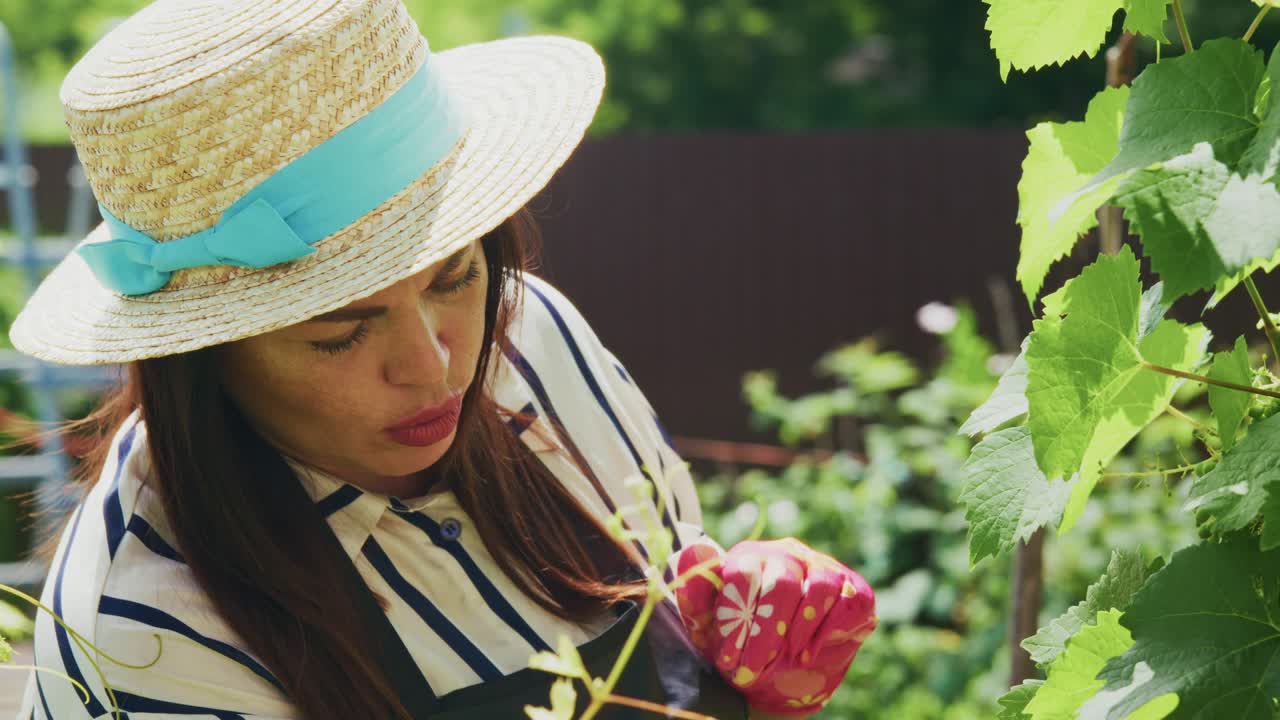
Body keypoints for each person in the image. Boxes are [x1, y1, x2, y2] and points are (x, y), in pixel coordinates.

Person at [9, 1, 873, 718]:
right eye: (340, 331)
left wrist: (756, 652)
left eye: (456, 276)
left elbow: (680, 591)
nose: (435, 368)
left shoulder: (533, 341)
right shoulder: (152, 631)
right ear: (201, 355)